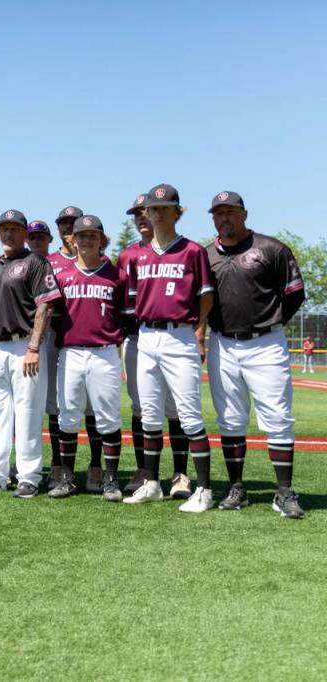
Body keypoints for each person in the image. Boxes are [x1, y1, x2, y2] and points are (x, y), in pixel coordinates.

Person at [205, 191, 307, 518]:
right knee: (230, 418)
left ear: (244, 214)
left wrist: (271, 322)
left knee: (278, 417)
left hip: (266, 343)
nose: (224, 218)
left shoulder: (271, 249)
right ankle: (237, 488)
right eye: (218, 213)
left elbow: (295, 294)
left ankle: (284, 492)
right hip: (222, 342)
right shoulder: (205, 255)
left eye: (230, 212)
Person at [123, 184, 217, 512]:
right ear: (146, 213)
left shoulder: (192, 251)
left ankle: (203, 489)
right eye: (154, 208)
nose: (159, 213)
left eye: (166, 208)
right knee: (149, 414)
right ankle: (151, 484)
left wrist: (198, 330)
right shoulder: (139, 255)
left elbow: (206, 295)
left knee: (188, 415)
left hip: (180, 335)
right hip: (147, 335)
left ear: (178, 213)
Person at [0, 209, 60, 498]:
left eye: (14, 229)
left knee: (28, 413)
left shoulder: (35, 262)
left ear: (24, 234)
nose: (8, 234)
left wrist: (34, 347)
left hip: (24, 347)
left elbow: (45, 306)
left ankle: (28, 476)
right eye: (3, 229)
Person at [47, 215, 130, 502]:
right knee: (68, 417)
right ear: (73, 240)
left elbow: (126, 316)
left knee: (107, 418)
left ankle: (110, 479)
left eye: (92, 236)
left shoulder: (117, 275)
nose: (86, 240)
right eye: (81, 236)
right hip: (70, 352)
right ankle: (67, 478)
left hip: (104, 352)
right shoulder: (62, 276)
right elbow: (55, 317)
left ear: (102, 240)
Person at [117, 193, 192, 497]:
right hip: (138, 338)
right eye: (136, 214)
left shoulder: (181, 250)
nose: (140, 218)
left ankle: (180, 473)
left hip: (172, 336)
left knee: (175, 409)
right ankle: (144, 472)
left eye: (143, 212)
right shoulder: (128, 255)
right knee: (141, 408)